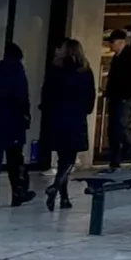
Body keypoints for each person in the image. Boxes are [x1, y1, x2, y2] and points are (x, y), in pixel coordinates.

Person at [40, 38, 96, 211]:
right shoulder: (84, 71)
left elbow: (46, 93)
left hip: (56, 118)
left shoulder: (55, 69)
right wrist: (85, 110)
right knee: (69, 160)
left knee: (62, 157)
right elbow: (90, 95)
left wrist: (47, 110)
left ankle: (64, 197)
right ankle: (55, 187)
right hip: (75, 118)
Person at [0, 42, 33, 210]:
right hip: (13, 121)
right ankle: (19, 193)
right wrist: (26, 116)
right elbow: (22, 97)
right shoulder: (17, 72)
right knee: (15, 160)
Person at [100, 28, 131, 168]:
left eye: (112, 42)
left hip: (122, 98)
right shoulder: (117, 58)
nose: (110, 45)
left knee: (119, 128)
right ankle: (114, 162)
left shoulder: (129, 59)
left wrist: (125, 95)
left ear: (120, 42)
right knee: (113, 130)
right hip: (115, 97)